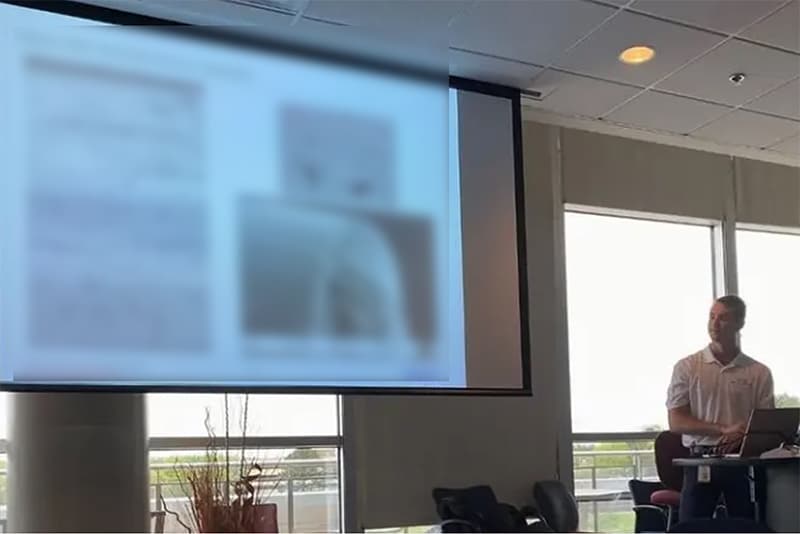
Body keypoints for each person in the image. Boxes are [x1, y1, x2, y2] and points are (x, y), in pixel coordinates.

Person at [666, 295, 774, 522]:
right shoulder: (688, 366)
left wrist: (745, 434)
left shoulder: (758, 372)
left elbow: (766, 426)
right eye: (712, 316)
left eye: (723, 318)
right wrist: (723, 429)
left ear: (740, 323)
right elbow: (676, 422)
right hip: (701, 460)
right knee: (691, 527)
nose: (714, 324)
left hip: (742, 463)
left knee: (747, 526)